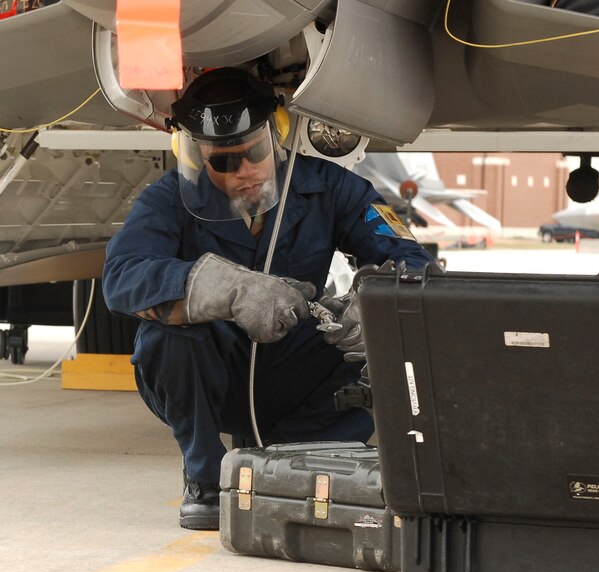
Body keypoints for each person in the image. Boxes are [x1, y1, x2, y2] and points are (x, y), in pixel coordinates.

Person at [102, 67, 433, 530]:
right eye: (223, 162)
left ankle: (315, 462)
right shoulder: (166, 201)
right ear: (198, 157)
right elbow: (122, 277)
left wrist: (372, 307)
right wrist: (226, 289)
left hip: (298, 368)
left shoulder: (332, 187)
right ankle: (206, 478)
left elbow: (410, 259)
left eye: (254, 154)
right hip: (216, 376)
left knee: (383, 339)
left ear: (275, 138)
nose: (243, 173)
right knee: (166, 340)